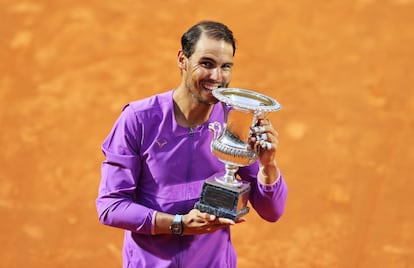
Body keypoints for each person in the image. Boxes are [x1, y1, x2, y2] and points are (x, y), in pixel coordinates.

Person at [96, 20, 288, 268]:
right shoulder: (138, 119)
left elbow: (272, 212)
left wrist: (268, 165)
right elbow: (110, 206)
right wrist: (179, 224)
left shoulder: (237, 121)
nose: (217, 77)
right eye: (206, 64)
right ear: (182, 60)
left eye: (225, 66)